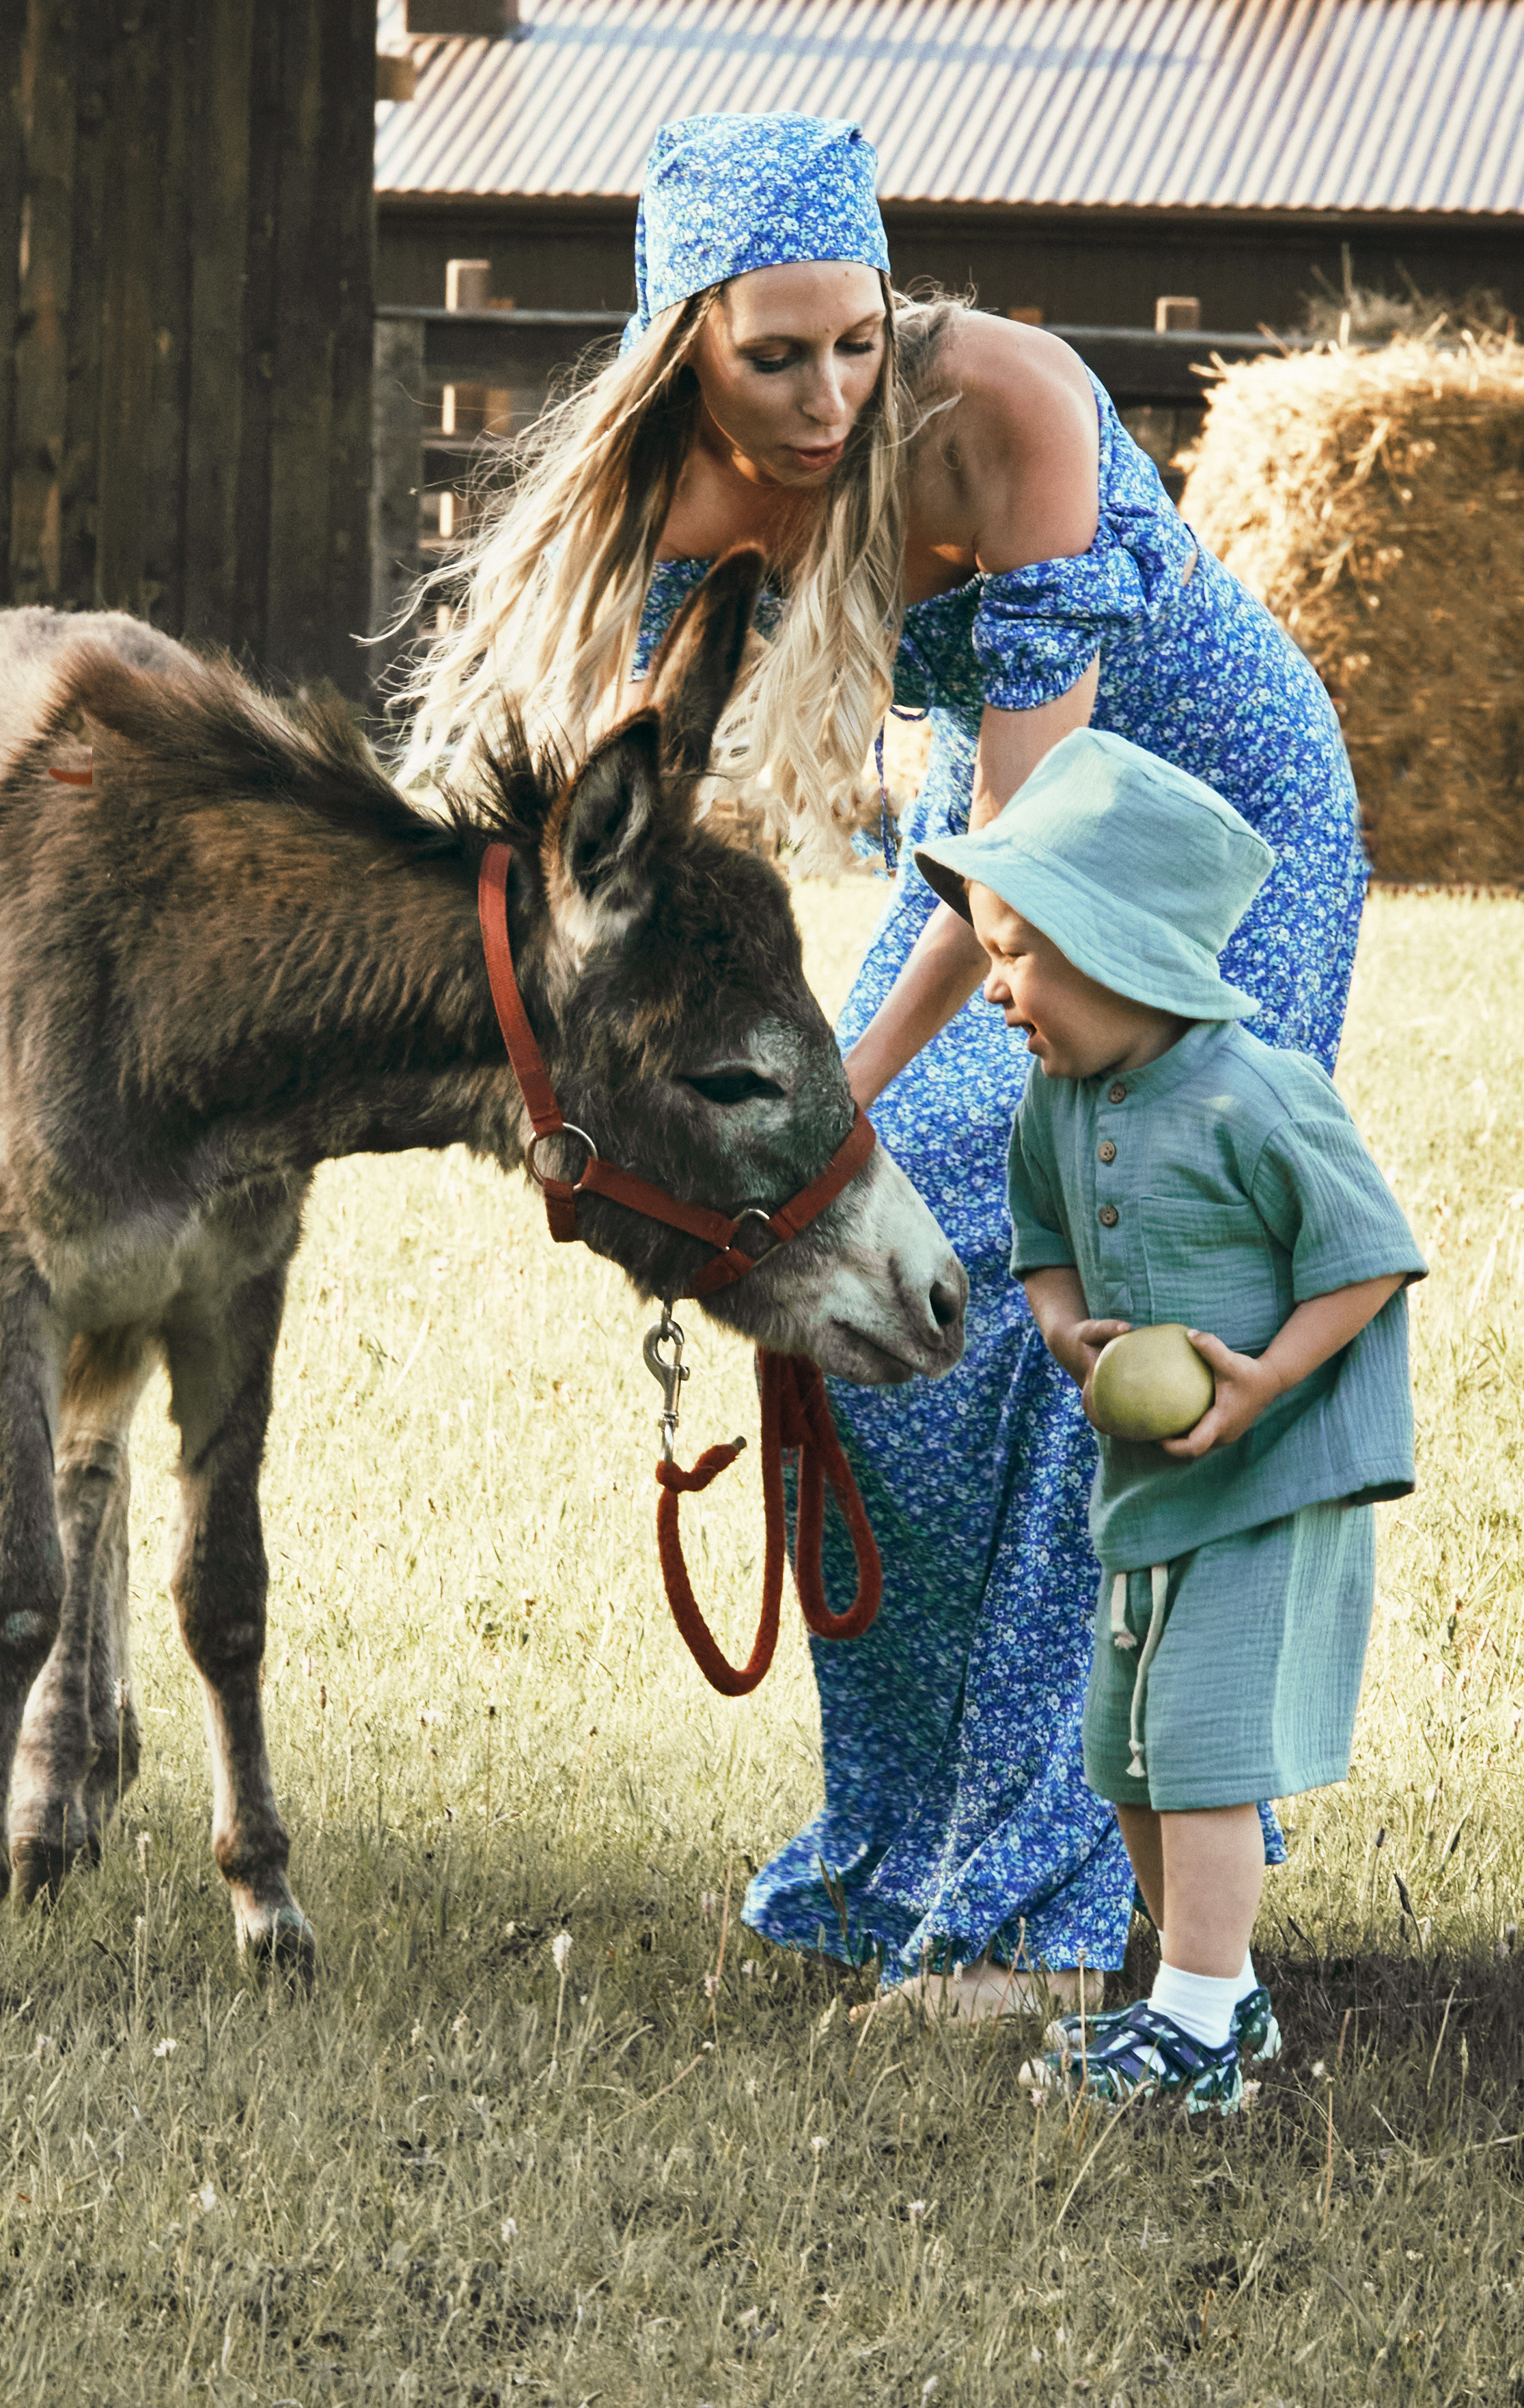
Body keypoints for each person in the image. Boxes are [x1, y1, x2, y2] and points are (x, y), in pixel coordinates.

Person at [402, 111, 1369, 2018]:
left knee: (1063, 1251)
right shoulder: (682, 495)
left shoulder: (1003, 408)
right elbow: (630, 815)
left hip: (1206, 839)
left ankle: (1050, 1910)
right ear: (686, 342)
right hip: (990, 835)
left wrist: (838, 1077)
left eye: (858, 338)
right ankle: (903, 1844)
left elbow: (1043, 865)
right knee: (853, 1262)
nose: (830, 395)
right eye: (777, 355)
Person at [910, 730, 1424, 2107]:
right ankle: (1221, 2003)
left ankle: (1191, 2026)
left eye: (1017, 954)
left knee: (1199, 1744)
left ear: (1120, 950)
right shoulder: (1058, 1106)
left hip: (1268, 1481)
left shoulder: (1259, 1092)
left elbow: (1368, 1255)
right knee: (1127, 1747)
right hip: (1148, 1486)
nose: (995, 986)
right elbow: (1041, 1243)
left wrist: (1263, 1378)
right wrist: (1064, 1327)